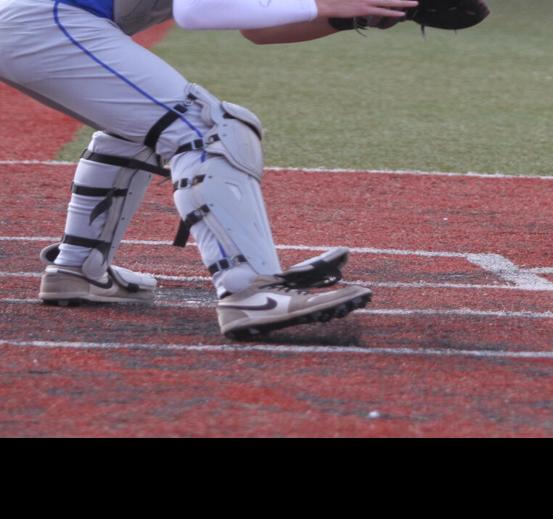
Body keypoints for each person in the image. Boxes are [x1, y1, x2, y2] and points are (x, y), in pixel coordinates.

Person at [0, 0, 417, 339]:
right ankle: (249, 290)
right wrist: (318, 5)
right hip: (46, 20)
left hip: (41, 21)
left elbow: (258, 27)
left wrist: (362, 15)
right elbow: (197, 11)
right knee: (209, 128)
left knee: (141, 129)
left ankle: (78, 268)